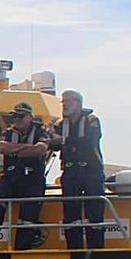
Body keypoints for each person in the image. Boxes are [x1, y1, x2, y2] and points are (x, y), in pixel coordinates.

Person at [0, 102, 50, 252]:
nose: (17, 119)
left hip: (33, 180)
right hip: (11, 178)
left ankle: (22, 249)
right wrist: (26, 149)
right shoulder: (8, 132)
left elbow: (40, 150)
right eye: (15, 116)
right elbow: (2, 147)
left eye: (21, 116)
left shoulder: (40, 131)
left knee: (28, 216)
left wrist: (14, 151)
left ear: (30, 117)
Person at [47, 89, 107, 250]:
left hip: (91, 172)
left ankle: (96, 251)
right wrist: (49, 136)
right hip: (70, 172)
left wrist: (64, 140)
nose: (64, 104)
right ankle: (74, 250)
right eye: (63, 101)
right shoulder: (60, 124)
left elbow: (90, 140)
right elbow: (55, 145)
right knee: (70, 214)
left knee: (94, 212)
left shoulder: (91, 120)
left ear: (78, 103)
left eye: (68, 101)